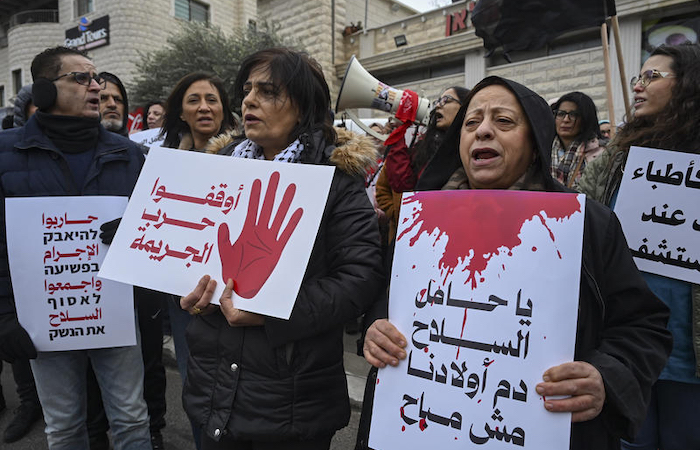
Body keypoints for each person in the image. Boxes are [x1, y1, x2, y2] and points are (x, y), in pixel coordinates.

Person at [361, 75, 672, 450]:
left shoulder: (587, 225)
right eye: (471, 123)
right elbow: (386, 300)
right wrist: (377, 328)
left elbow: (643, 326)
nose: (483, 131)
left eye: (504, 121)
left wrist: (606, 377)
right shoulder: (420, 225)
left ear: (535, 143)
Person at [179, 47, 384, 449]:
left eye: (269, 91)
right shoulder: (216, 171)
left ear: (304, 107)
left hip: (293, 403)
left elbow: (359, 278)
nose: (250, 100)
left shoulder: (336, 181)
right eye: (247, 90)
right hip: (211, 389)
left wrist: (272, 314)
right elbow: (190, 259)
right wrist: (191, 294)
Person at [0, 46, 151, 450]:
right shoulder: (4, 152)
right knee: (64, 426)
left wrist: (135, 232)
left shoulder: (128, 153)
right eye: (81, 78)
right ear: (44, 91)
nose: (96, 87)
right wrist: (4, 316)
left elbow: (154, 226)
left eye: (97, 78)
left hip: (115, 314)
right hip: (44, 320)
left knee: (132, 419)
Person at [577, 43, 700, 450]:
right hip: (628, 350)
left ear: (688, 85)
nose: (638, 86)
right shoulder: (618, 156)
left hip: (689, 357)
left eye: (652, 76)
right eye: (637, 77)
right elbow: (578, 210)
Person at [92, 71, 168, 450]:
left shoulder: (140, 156)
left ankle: (153, 429)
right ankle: (96, 433)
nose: (110, 104)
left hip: (140, 287)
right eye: (102, 98)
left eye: (117, 99)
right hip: (92, 290)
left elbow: (163, 213)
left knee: (150, 361)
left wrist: (134, 225)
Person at [0, 83, 44, 444]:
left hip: (63, 275)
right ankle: (29, 404)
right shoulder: (6, 157)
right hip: (18, 278)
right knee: (22, 348)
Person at [376, 86, 469, 244]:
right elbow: (399, 184)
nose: (438, 105)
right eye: (438, 101)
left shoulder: (470, 147)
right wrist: (399, 213)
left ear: (464, 107)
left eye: (446, 100)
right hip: (416, 233)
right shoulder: (422, 147)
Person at [161, 72, 236, 151]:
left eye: (211, 100)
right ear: (181, 113)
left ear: (223, 111)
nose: (204, 108)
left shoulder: (240, 153)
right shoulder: (167, 155)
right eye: (193, 100)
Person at [550, 91, 605, 188]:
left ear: (586, 119)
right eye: (561, 114)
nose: (566, 120)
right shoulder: (542, 152)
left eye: (573, 114)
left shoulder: (601, 155)